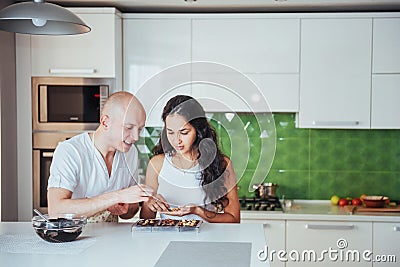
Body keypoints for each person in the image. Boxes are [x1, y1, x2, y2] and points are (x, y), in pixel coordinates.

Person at [47, 91, 154, 222]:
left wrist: (126, 207)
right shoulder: (70, 151)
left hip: (112, 238)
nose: (136, 137)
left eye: (140, 129)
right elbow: (56, 210)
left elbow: (129, 213)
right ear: (105, 122)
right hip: (75, 238)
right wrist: (117, 196)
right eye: (129, 127)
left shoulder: (130, 153)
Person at [140, 95, 240, 223]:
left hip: (207, 239)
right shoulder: (157, 164)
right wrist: (150, 204)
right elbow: (146, 219)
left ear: (198, 130)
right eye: (170, 132)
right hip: (166, 239)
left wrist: (198, 211)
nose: (177, 140)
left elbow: (234, 219)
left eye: (184, 132)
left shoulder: (222, 164)